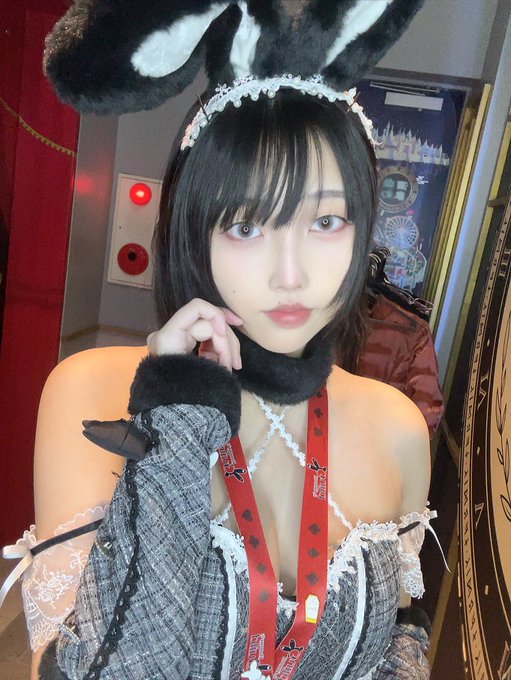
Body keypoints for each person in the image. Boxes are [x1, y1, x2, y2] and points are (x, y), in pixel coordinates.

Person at [0, 1, 437, 678]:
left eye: (326, 222)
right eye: (246, 226)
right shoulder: (93, 392)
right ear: (193, 230)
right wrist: (175, 421)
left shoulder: (396, 426)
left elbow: (396, 648)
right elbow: (103, 667)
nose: (291, 274)